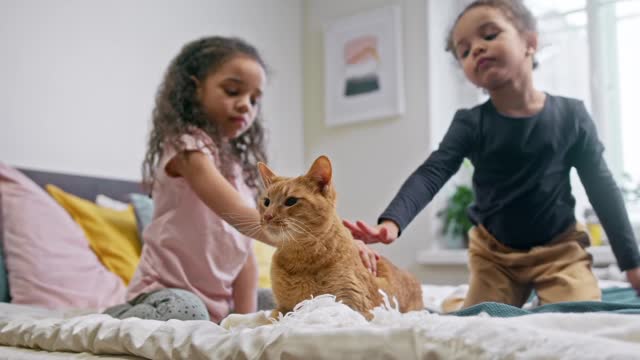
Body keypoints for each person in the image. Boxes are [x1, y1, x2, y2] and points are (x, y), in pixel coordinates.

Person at [344, 0, 640, 309]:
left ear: (530, 41)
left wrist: (632, 264)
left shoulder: (571, 116)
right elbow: (433, 171)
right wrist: (392, 223)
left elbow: (602, 188)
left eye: (489, 35)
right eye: (465, 50)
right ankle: (458, 301)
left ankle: (550, 295)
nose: (477, 50)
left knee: (577, 314)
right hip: (495, 256)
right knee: (478, 317)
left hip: (560, 250)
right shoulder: (470, 123)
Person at [105, 36, 377, 323]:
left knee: (293, 301)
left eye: (254, 99)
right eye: (233, 91)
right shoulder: (187, 149)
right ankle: (116, 315)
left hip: (216, 306)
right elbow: (244, 219)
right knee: (185, 309)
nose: (246, 105)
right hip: (163, 293)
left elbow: (243, 254)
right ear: (194, 88)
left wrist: (244, 326)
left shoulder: (236, 168)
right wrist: (337, 240)